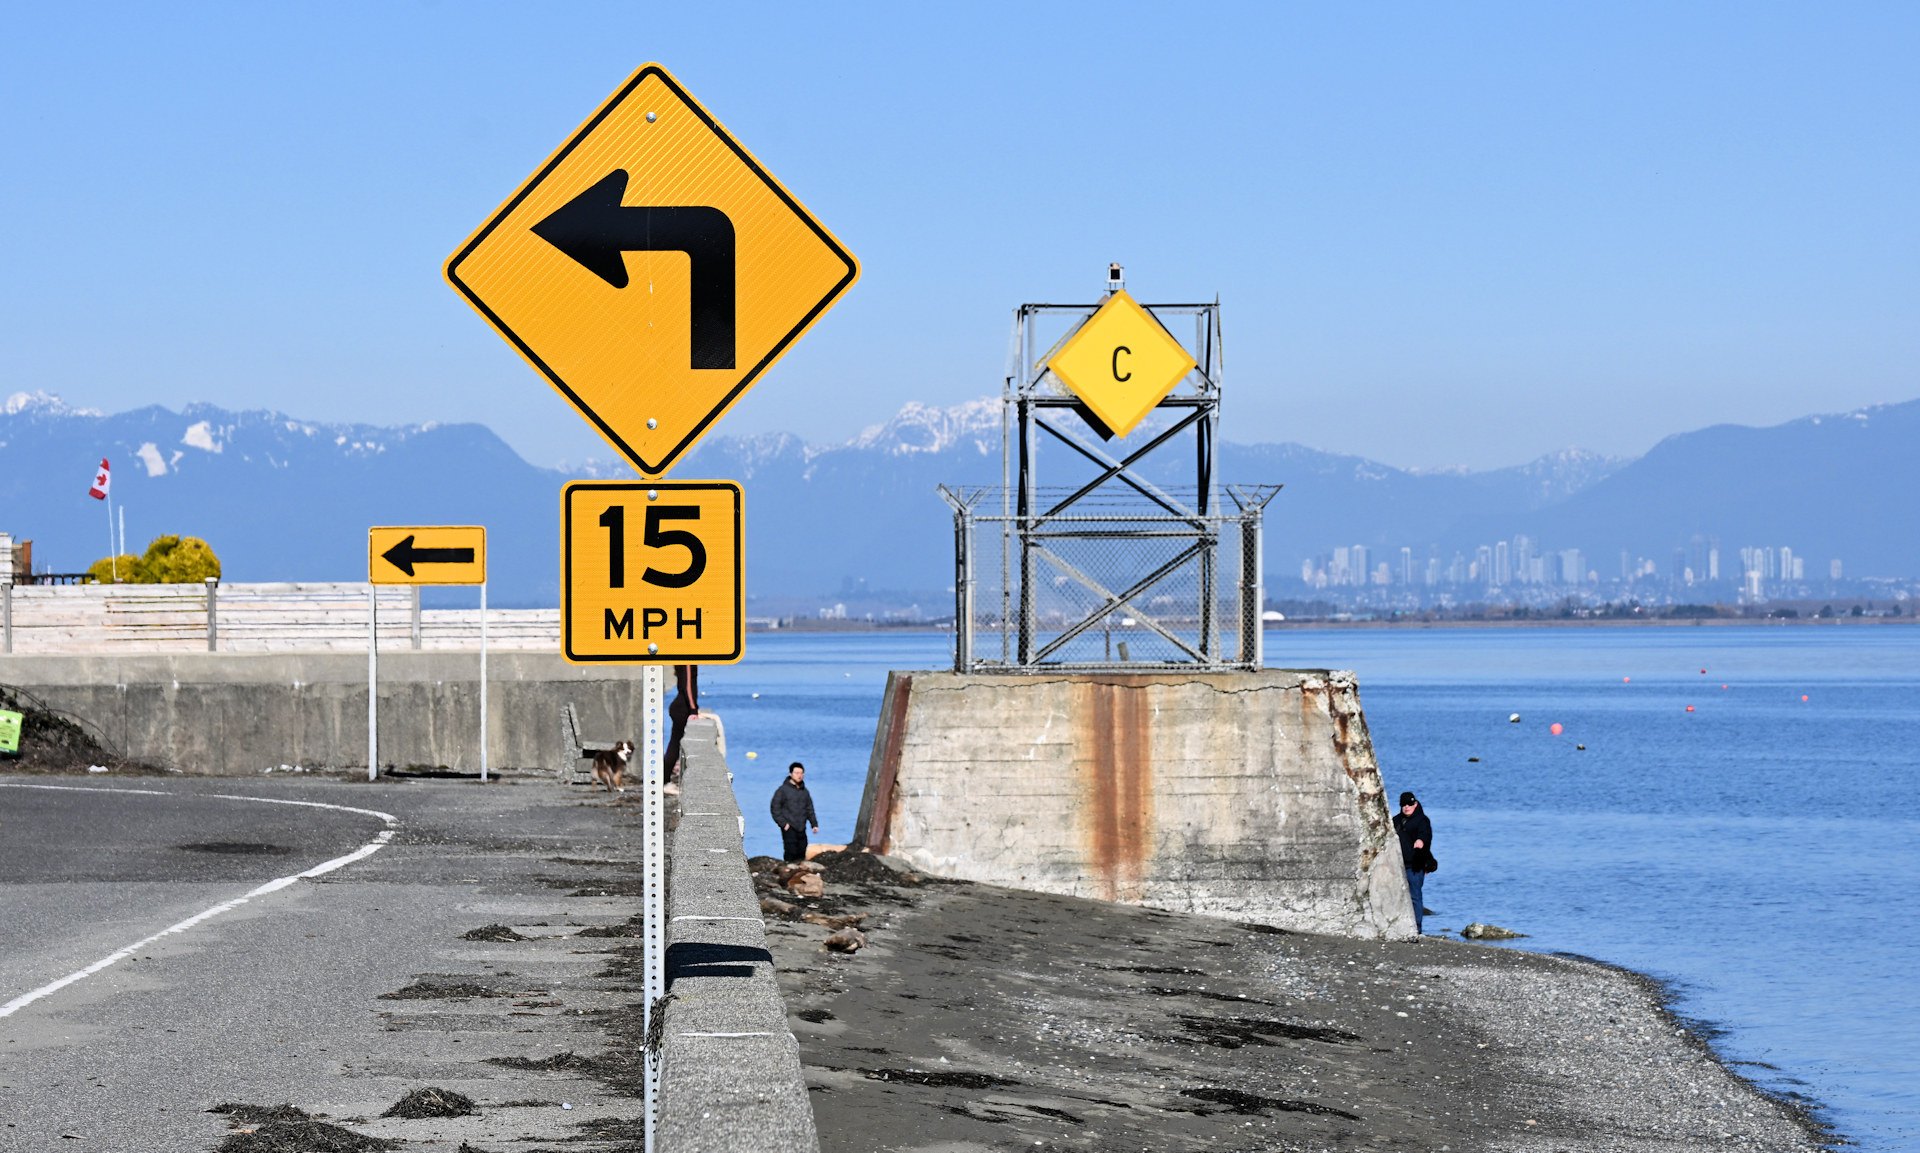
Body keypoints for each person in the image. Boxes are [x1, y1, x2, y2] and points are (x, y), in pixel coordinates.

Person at [1393, 791, 1435, 935]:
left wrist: (1421, 841)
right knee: (1397, 896)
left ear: (1415, 804)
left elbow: (1426, 834)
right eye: (1403, 804)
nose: (1407, 807)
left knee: (1415, 897)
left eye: (1410, 804)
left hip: (1416, 865)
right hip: (1398, 865)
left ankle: (1417, 929)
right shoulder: (1396, 820)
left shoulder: (1422, 820)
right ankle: (1399, 926)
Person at [770, 762, 819, 863]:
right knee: (791, 851)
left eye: (801, 773)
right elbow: (775, 808)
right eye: (796, 773)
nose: (799, 775)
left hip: (801, 827)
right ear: (790, 774)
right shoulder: (782, 790)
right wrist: (783, 824)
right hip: (789, 827)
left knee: (802, 850)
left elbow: (810, 809)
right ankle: (788, 871)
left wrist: (814, 824)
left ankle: (799, 874)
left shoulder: (804, 791)